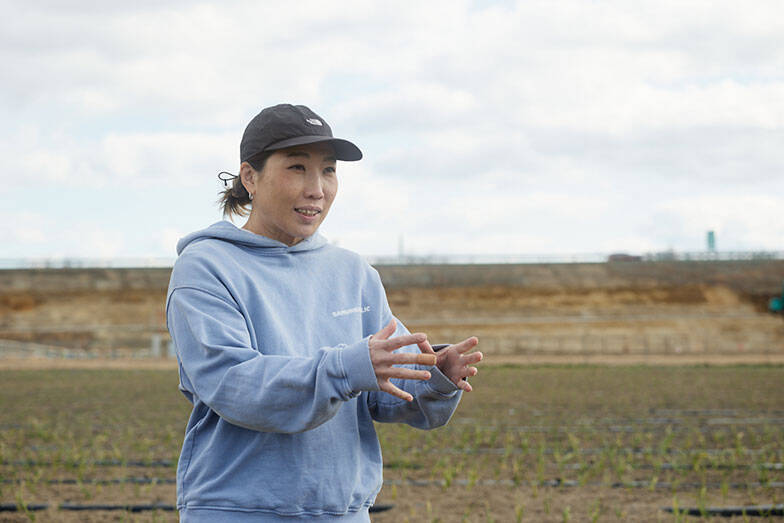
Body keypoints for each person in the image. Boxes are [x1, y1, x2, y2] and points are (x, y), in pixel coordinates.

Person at [166, 103, 482, 522]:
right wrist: (348, 368)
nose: (317, 189)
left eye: (328, 170)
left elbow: (385, 391)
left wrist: (434, 377)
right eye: (297, 168)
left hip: (343, 513)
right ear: (249, 177)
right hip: (237, 511)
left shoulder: (353, 273)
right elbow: (234, 385)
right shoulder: (206, 267)